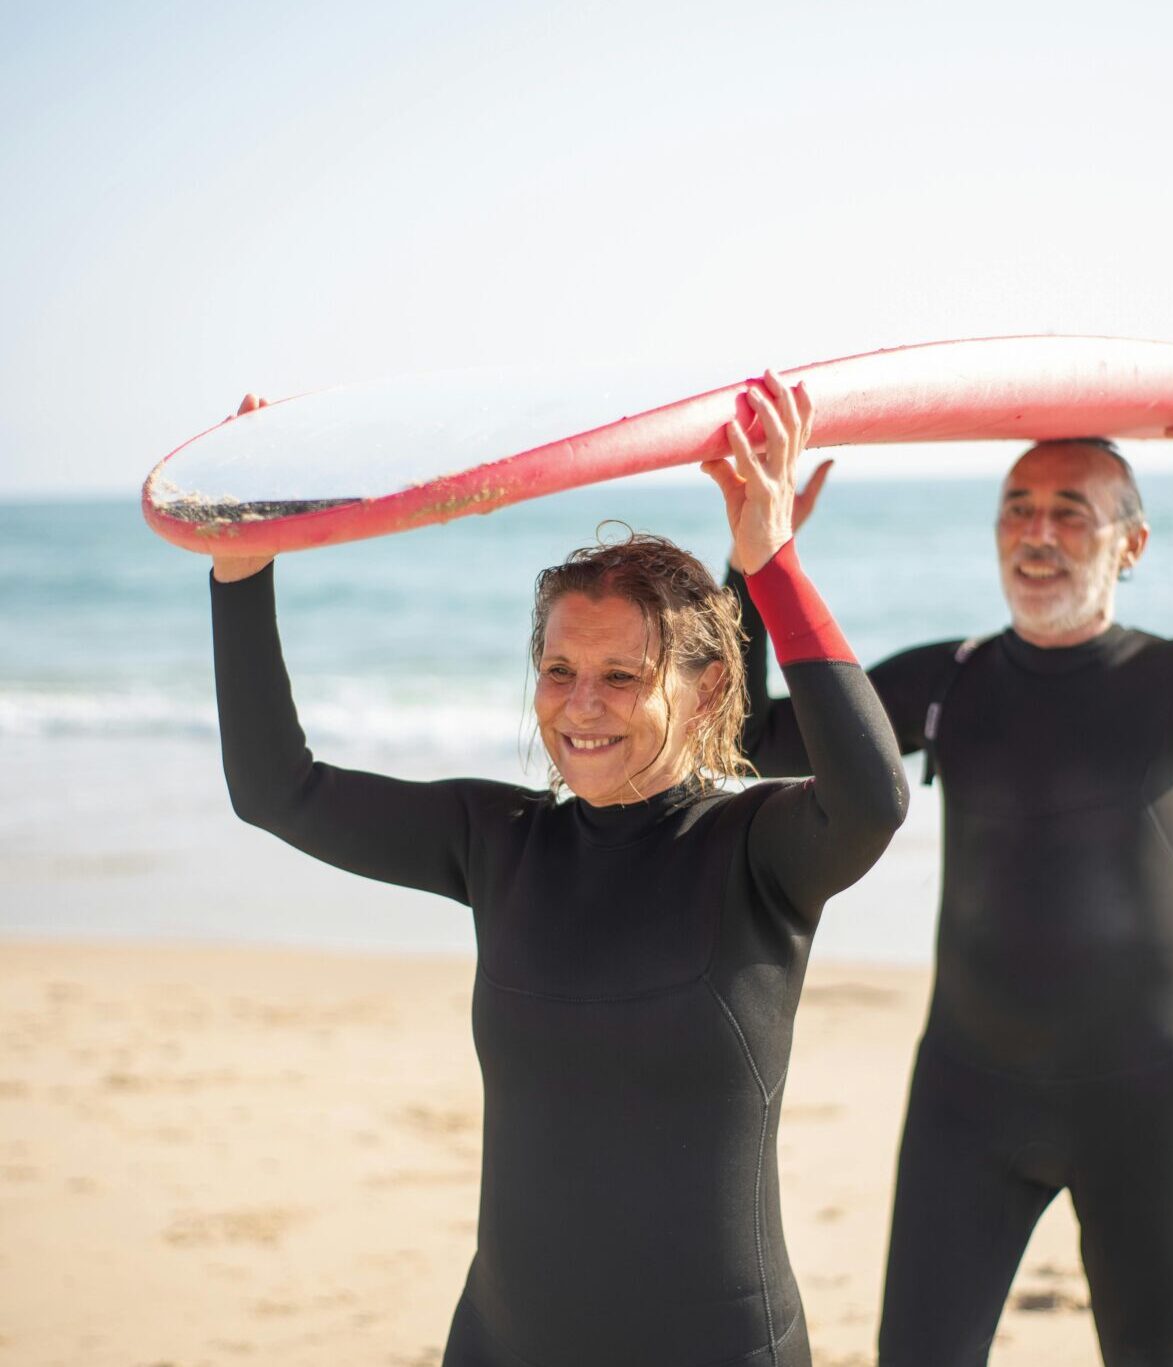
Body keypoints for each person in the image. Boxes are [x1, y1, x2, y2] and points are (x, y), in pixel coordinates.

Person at [208, 372, 908, 1367]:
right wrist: (240, 570)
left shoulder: (755, 849)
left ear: (706, 690)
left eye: (621, 675)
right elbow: (277, 789)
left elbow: (873, 794)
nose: (580, 706)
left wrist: (770, 561)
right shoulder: (496, 839)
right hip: (503, 1342)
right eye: (557, 670)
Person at [726, 350, 1173, 1367]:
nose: (1035, 532)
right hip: (966, 1099)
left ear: (1131, 543)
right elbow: (749, 739)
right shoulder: (949, 678)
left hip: (1144, 1104)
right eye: (1016, 508)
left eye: (1070, 510)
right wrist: (759, 562)